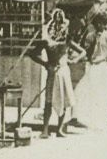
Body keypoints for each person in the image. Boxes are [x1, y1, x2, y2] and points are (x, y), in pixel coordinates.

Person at [28, 9, 77, 137]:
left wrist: (73, 60)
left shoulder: (67, 40)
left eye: (61, 22)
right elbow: (32, 53)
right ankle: (45, 130)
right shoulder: (46, 41)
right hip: (52, 71)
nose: (58, 26)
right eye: (56, 22)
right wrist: (45, 64)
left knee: (63, 100)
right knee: (48, 101)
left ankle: (59, 129)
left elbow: (82, 51)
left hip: (63, 71)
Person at [74, 10, 107, 131]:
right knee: (86, 92)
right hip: (93, 66)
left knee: (102, 95)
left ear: (104, 23)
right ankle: (89, 120)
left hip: (103, 67)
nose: (98, 25)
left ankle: (100, 122)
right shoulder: (90, 36)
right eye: (96, 23)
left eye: (100, 23)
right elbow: (87, 52)